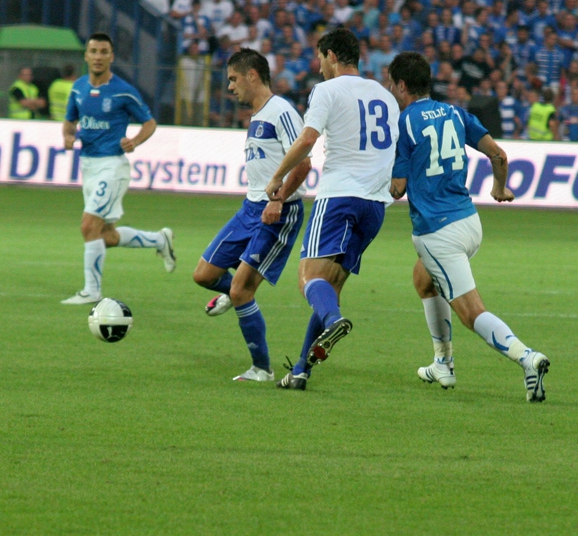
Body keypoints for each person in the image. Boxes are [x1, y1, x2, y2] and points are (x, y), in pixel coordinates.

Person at [386, 51, 550, 402]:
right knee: (423, 279)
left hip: (436, 231)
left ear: (401, 85)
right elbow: (499, 155)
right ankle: (442, 362)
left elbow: (397, 189)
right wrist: (499, 188)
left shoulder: (406, 121)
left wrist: (387, 178)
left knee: (471, 312)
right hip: (469, 222)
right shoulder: (456, 113)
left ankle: (527, 358)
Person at [264, 27, 400, 391]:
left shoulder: (326, 90)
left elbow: (308, 140)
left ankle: (335, 320)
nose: (318, 65)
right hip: (375, 206)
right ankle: (302, 371)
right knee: (330, 287)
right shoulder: (384, 96)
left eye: (320, 57)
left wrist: (278, 176)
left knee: (309, 279)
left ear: (332, 56)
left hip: (339, 197)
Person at [192, 49, 311, 382]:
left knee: (244, 290)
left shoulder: (282, 111)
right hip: (250, 208)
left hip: (278, 211)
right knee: (203, 274)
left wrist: (279, 198)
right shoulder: (258, 116)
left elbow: (304, 163)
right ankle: (233, 293)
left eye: (233, 79)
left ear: (252, 76)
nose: (230, 87)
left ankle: (261, 367)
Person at [61, 33, 175, 304]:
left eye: (103, 52)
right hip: (88, 166)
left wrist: (134, 141)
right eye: (93, 51)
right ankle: (160, 241)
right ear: (86, 55)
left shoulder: (123, 90)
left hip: (112, 167)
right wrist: (67, 136)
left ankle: (92, 291)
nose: (98, 56)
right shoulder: (78, 88)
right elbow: (69, 122)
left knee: (88, 226)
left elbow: (149, 123)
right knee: (106, 235)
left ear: (111, 57)